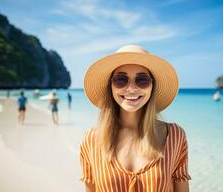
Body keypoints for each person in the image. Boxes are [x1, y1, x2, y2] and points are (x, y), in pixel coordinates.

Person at [79, 45, 191, 191]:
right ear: (110, 86)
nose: (131, 88)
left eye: (142, 80)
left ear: (152, 86)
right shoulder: (91, 140)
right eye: (121, 79)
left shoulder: (175, 136)